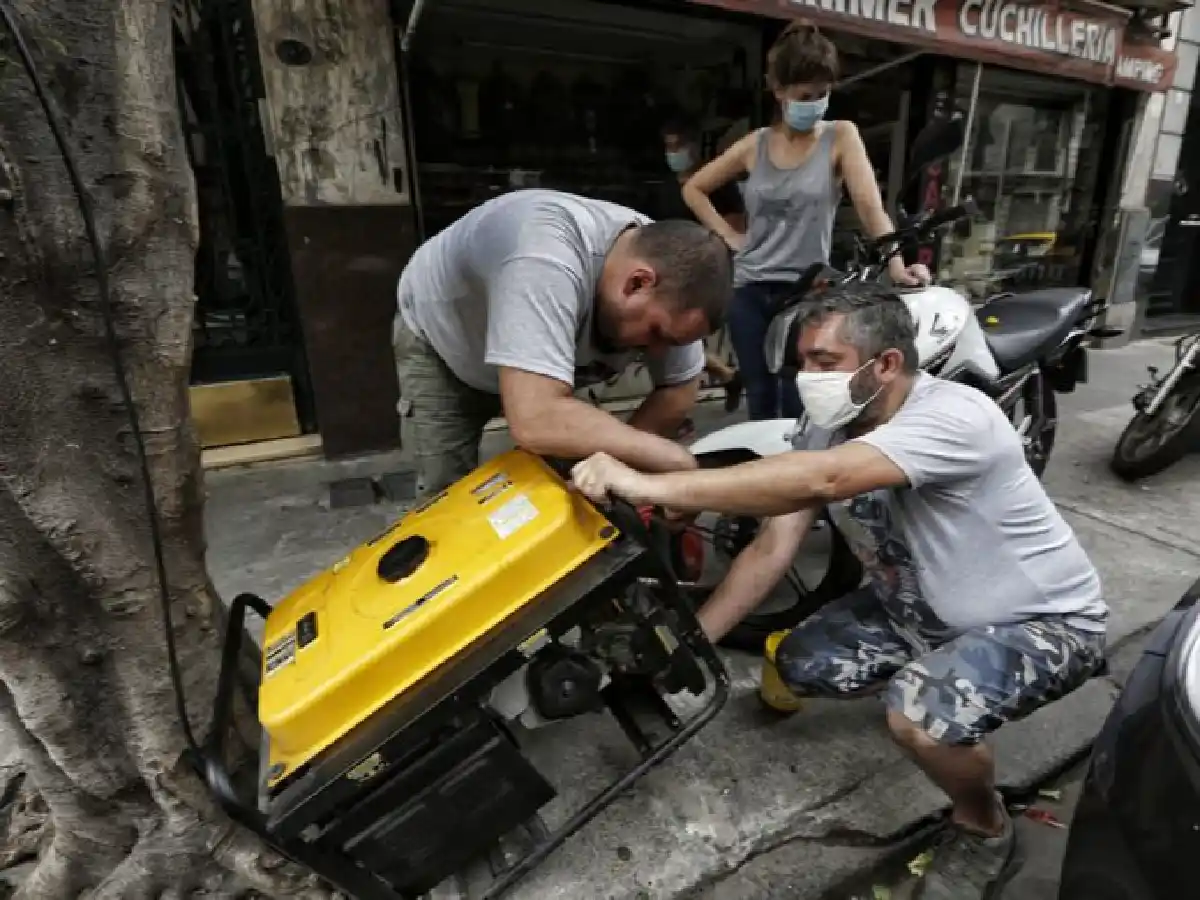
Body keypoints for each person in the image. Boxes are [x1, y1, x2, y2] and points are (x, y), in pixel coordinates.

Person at [568, 281, 1107, 900]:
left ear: (887, 365)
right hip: (917, 612)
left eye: (825, 363)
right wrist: (693, 645)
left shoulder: (957, 415)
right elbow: (773, 544)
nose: (807, 377)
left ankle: (983, 824)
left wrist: (647, 483)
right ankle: (944, 678)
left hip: (1044, 622)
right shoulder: (828, 424)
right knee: (799, 661)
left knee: (917, 716)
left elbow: (823, 481)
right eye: (803, 362)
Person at [393, 188, 733, 499]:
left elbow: (679, 386)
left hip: (543, 367)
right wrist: (666, 455)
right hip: (445, 343)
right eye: (657, 334)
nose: (657, 353)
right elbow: (536, 419)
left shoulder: (681, 280)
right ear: (637, 283)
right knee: (445, 504)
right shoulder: (544, 256)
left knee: (571, 495)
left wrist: (615, 468)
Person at [682, 20, 929, 422]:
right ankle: (770, 480)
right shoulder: (755, 145)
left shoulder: (840, 136)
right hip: (749, 289)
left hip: (807, 291)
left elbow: (869, 205)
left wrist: (897, 265)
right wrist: (728, 236)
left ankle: (804, 475)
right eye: (804, 95)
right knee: (760, 395)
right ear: (778, 91)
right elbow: (694, 188)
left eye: (823, 93)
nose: (815, 103)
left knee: (802, 393)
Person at [660, 114, 745, 415]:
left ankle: (703, 389)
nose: (674, 153)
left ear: (695, 146)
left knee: (679, 335)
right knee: (668, 335)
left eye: (679, 145)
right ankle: (727, 375)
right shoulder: (665, 190)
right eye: (669, 147)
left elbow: (735, 227)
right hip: (670, 275)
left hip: (707, 273)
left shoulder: (718, 184)